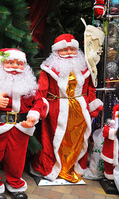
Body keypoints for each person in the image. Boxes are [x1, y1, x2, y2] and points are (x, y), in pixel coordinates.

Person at [0, 48, 48, 199]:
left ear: (25, 67)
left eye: (19, 64)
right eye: (10, 62)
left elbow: (40, 101)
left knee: (16, 160)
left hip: (19, 128)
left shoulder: (29, 85)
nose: (15, 67)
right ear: (1, 64)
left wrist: (33, 116)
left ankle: (15, 184)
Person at [31, 34, 103, 183]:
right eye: (64, 50)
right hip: (56, 111)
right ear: (56, 52)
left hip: (80, 111)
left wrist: (92, 105)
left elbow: (90, 89)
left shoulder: (84, 68)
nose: (69, 52)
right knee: (53, 141)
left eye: (72, 49)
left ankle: (73, 167)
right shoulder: (48, 70)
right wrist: (41, 107)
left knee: (77, 140)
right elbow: (41, 91)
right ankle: (53, 168)